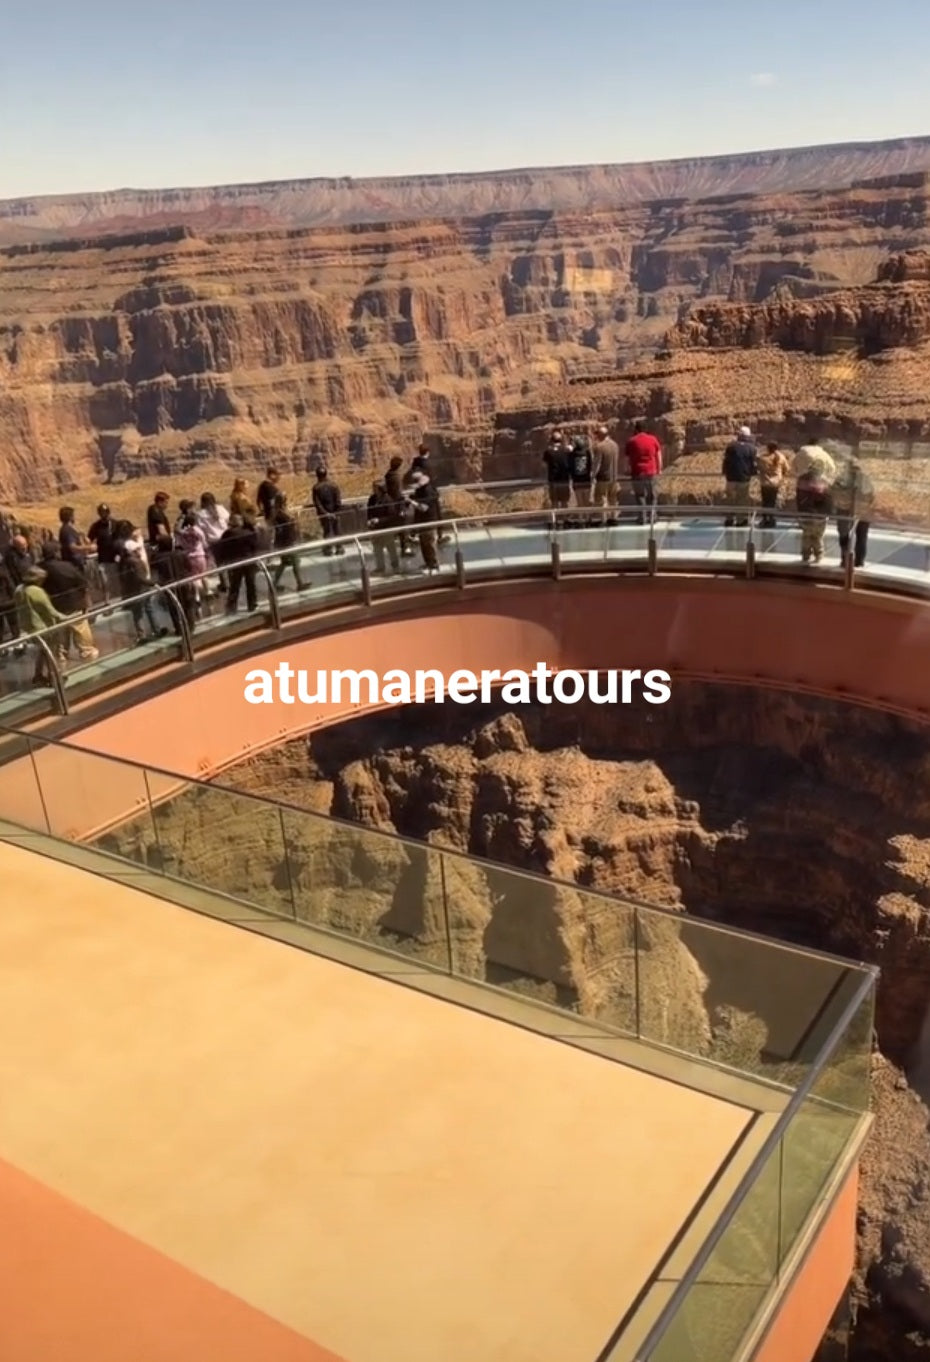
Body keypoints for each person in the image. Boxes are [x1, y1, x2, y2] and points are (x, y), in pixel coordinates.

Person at [38, 542, 98, 664]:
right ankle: (86, 652)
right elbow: (82, 583)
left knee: (60, 634)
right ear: (56, 552)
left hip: (52, 607)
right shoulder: (66, 566)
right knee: (81, 631)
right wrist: (86, 600)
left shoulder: (39, 568)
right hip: (73, 604)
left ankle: (61, 657)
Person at [14, 566, 68, 685]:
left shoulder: (19, 589)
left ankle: (38, 675)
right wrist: (66, 618)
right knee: (50, 652)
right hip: (43, 626)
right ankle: (53, 677)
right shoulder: (36, 591)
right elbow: (50, 610)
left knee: (43, 652)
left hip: (29, 626)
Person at [114, 522, 165, 643]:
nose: (139, 551)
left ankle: (145, 633)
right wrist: (152, 583)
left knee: (140, 611)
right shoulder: (135, 562)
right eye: (136, 549)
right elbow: (139, 577)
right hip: (140, 588)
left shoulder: (125, 560)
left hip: (135, 588)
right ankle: (148, 632)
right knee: (142, 610)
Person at [833, 457, 875, 568]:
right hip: (863, 512)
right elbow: (872, 496)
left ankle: (845, 560)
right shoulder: (866, 479)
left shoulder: (842, 478)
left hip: (845, 511)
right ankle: (859, 561)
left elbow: (834, 492)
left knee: (844, 536)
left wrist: (840, 504)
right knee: (862, 537)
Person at [218, 514, 259, 613]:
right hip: (248, 560)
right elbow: (255, 545)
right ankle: (252, 604)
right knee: (250, 583)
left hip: (235, 562)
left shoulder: (228, 533)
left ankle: (232, 606)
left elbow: (222, 547)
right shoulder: (248, 531)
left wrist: (223, 560)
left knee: (235, 585)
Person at [625, 419, 663, 524]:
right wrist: (659, 469)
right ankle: (652, 516)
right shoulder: (653, 439)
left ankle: (642, 518)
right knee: (652, 495)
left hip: (637, 472)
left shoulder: (631, 441)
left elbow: (627, 459)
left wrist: (628, 470)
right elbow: (658, 456)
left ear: (636, 429)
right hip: (651, 472)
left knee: (640, 495)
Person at [796, 466, 833, 565]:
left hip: (805, 513)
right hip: (820, 515)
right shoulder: (825, 482)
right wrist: (828, 513)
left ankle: (806, 555)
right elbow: (829, 499)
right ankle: (818, 555)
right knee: (818, 536)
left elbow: (798, 498)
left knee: (806, 535)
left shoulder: (802, 480)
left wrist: (799, 513)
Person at [722, 425, 757, 526]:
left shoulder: (731, 446)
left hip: (731, 478)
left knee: (730, 499)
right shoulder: (752, 448)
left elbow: (726, 461)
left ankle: (729, 519)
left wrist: (725, 472)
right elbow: (753, 464)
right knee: (742, 499)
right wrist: (752, 474)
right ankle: (741, 520)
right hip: (744, 478)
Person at [271, 492, 306, 592]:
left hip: (283, 541)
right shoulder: (280, 513)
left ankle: (274, 584)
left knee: (284, 562)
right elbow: (291, 523)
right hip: (288, 541)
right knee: (295, 561)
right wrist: (297, 515)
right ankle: (300, 583)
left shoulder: (277, 512)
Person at [196, 492, 230, 592]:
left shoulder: (201, 514)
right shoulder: (220, 509)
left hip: (214, 540)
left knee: (220, 563)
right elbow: (228, 519)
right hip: (226, 537)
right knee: (229, 560)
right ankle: (231, 581)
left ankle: (225, 584)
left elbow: (201, 528)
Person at [366, 479, 401, 574]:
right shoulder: (372, 499)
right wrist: (369, 520)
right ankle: (380, 567)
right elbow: (369, 511)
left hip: (386, 528)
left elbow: (392, 515)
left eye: (375, 488)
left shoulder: (388, 500)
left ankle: (395, 565)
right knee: (377, 548)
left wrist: (379, 520)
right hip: (376, 529)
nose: (373, 489)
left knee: (391, 548)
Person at [408, 472, 440, 572]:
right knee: (424, 544)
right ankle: (428, 563)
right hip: (422, 521)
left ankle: (434, 565)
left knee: (430, 544)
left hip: (429, 520)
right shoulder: (420, 491)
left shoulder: (428, 492)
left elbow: (423, 508)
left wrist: (411, 502)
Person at [87, 502, 120, 601]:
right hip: (103, 559)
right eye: (101, 513)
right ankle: (108, 602)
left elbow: (120, 538)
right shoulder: (96, 526)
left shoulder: (115, 524)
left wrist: (119, 554)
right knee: (105, 582)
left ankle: (119, 599)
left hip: (115, 558)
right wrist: (90, 546)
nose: (104, 515)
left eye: (105, 512)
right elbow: (89, 539)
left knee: (116, 580)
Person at [756, 441, 790, 528]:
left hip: (765, 483)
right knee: (772, 501)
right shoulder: (781, 457)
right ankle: (771, 518)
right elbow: (787, 469)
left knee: (765, 502)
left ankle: (765, 519)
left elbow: (758, 467)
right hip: (775, 483)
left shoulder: (763, 458)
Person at [385, 455, 414, 557]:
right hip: (398, 505)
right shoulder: (396, 478)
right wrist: (402, 507)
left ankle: (405, 546)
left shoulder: (388, 475)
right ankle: (406, 548)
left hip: (393, 504)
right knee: (404, 525)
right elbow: (398, 494)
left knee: (400, 526)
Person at [311, 468, 344, 555]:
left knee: (327, 531)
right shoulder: (334, 485)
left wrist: (325, 513)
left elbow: (317, 503)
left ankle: (328, 550)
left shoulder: (316, 488)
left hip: (324, 515)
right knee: (337, 530)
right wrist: (336, 512)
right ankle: (339, 548)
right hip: (335, 513)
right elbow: (338, 501)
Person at [592, 424, 620, 521]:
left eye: (597, 435)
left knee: (602, 499)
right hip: (614, 477)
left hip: (603, 477)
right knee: (613, 499)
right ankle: (613, 518)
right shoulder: (615, 445)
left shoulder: (600, 447)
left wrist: (593, 476)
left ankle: (603, 520)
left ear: (600, 435)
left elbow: (597, 463)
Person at [542, 430, 572, 511]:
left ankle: (555, 521)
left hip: (553, 480)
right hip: (564, 480)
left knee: (554, 501)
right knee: (564, 501)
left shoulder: (548, 451)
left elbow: (544, 465)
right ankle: (565, 519)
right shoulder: (566, 450)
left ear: (552, 440)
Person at [569, 435, 594, 514]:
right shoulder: (587, 452)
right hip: (586, 480)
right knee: (586, 501)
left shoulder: (572, 454)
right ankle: (588, 518)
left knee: (579, 502)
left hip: (576, 481)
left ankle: (581, 519)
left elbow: (570, 467)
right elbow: (590, 465)